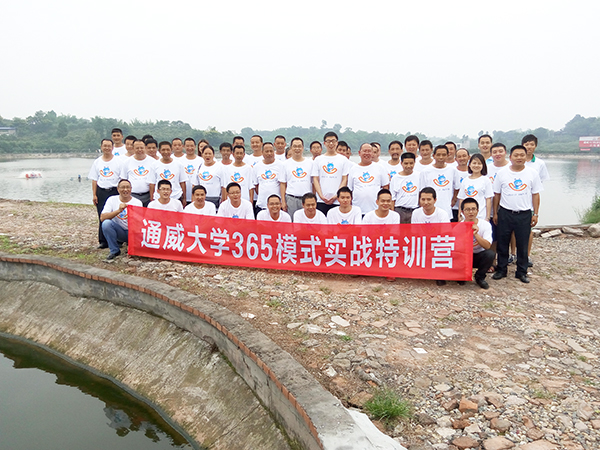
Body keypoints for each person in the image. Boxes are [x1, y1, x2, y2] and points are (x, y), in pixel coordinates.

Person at [492, 145, 543, 283]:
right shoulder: (502, 173)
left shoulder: (532, 173)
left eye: (522, 155)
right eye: (516, 155)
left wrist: (536, 214)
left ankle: (521, 271)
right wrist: (495, 212)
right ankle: (501, 269)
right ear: (510, 157)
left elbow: (535, 194)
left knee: (523, 244)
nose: (519, 157)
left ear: (526, 157)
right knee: (502, 243)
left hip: (524, 213)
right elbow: (497, 194)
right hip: (505, 212)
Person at [411, 187, 450, 286]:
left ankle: (440, 275)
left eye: (429, 199)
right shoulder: (416, 213)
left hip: (438, 244)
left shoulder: (443, 214)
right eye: (423, 199)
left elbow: (446, 234)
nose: (426, 202)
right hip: (422, 243)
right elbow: (414, 232)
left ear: (435, 200)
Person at [89, 138, 123, 249]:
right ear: (101, 147)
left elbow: (122, 178)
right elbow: (94, 179)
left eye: (109, 146)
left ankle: (117, 240)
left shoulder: (118, 161)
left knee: (116, 215)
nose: (107, 148)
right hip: (102, 191)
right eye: (105, 146)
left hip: (114, 191)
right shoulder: (97, 162)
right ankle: (103, 240)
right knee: (102, 215)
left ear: (112, 148)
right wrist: (94, 194)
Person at [522, 134, 549, 267]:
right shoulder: (515, 161)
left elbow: (538, 187)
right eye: (526, 144)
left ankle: (526, 256)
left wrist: (536, 212)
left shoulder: (539, 163)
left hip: (530, 203)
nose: (529, 147)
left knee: (529, 231)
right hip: (516, 202)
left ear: (535, 146)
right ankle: (513, 254)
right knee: (514, 232)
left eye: (532, 144)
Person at [100, 179, 142, 260]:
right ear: (118, 189)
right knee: (106, 223)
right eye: (123, 187)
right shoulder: (111, 199)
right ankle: (114, 250)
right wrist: (118, 211)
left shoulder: (137, 202)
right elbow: (102, 217)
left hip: (133, 232)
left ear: (131, 189)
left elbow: (139, 223)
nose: (125, 190)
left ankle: (132, 246)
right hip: (119, 231)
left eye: (128, 187)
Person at [460, 198, 494, 289]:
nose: (471, 212)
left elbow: (487, 246)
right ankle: (462, 275)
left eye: (473, 209)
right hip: (465, 256)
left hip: (479, 255)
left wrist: (475, 234)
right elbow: (456, 246)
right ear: (462, 212)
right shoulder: (458, 226)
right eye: (467, 209)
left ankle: (480, 277)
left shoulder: (485, 225)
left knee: (490, 254)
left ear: (478, 211)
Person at [313, 132, 350, 215]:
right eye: (328, 141)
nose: (331, 143)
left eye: (333, 141)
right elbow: (315, 179)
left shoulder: (343, 160)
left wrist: (337, 195)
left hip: (337, 200)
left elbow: (344, 179)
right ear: (324, 143)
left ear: (337, 142)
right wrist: (321, 196)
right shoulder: (318, 160)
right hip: (321, 200)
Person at [347, 143, 389, 214]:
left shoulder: (380, 168)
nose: (367, 153)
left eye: (369, 151)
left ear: (372, 153)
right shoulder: (353, 169)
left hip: (376, 209)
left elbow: (385, 187)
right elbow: (350, 190)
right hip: (358, 209)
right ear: (359, 153)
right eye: (364, 151)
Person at [419, 145, 458, 218]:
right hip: (429, 210)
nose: (441, 157)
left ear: (447, 155)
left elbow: (457, 188)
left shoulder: (453, 170)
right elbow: (421, 191)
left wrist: (453, 201)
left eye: (444, 155)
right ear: (434, 156)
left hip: (447, 210)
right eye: (438, 155)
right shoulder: (425, 171)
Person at [281, 137, 314, 218]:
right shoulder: (285, 164)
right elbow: (282, 184)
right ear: (291, 148)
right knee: (292, 222)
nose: (297, 148)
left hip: (307, 199)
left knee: (307, 221)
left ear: (302, 148)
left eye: (299, 146)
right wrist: (283, 201)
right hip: (291, 199)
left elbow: (313, 183)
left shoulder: (310, 163)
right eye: (295, 146)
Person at [149, 141, 187, 206]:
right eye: (163, 150)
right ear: (159, 151)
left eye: (168, 149)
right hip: (159, 198)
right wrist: (152, 198)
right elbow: (152, 183)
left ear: (171, 150)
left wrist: (184, 198)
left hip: (176, 196)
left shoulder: (178, 164)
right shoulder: (154, 164)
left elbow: (182, 182)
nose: (166, 152)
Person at [457, 154, 493, 221]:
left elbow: (488, 199)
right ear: (469, 164)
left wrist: (488, 217)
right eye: (474, 163)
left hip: (480, 216)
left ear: (483, 165)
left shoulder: (486, 180)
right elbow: (461, 198)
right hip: (466, 216)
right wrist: (460, 214)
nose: (476, 165)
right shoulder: (465, 180)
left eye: (479, 163)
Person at [120, 139, 156, 206]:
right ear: (133, 148)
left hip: (148, 195)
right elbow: (123, 180)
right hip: (132, 196)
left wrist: (152, 197)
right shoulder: (127, 162)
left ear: (145, 148)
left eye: (141, 148)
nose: (139, 150)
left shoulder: (153, 162)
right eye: (137, 148)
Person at [252, 142, 285, 213]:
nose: (269, 153)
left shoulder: (281, 165)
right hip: (262, 205)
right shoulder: (257, 167)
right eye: (267, 151)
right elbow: (256, 186)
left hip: (277, 205)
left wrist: (283, 201)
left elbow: (283, 184)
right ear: (262, 152)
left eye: (271, 151)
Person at [390, 152, 420, 223]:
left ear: (414, 163)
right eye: (406, 163)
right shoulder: (395, 178)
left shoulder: (419, 176)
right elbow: (392, 199)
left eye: (411, 163)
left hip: (415, 210)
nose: (408, 166)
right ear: (401, 163)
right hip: (400, 210)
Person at [181, 138, 202, 204]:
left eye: (192, 146)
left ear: (195, 147)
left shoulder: (201, 160)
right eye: (187, 146)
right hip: (183, 196)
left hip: (198, 197)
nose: (190, 148)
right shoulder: (179, 161)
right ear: (183, 147)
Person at [452, 148, 470, 222]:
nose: (462, 158)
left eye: (464, 156)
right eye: (459, 156)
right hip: (454, 208)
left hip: (469, 209)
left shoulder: (474, 172)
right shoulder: (452, 171)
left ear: (469, 157)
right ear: (455, 159)